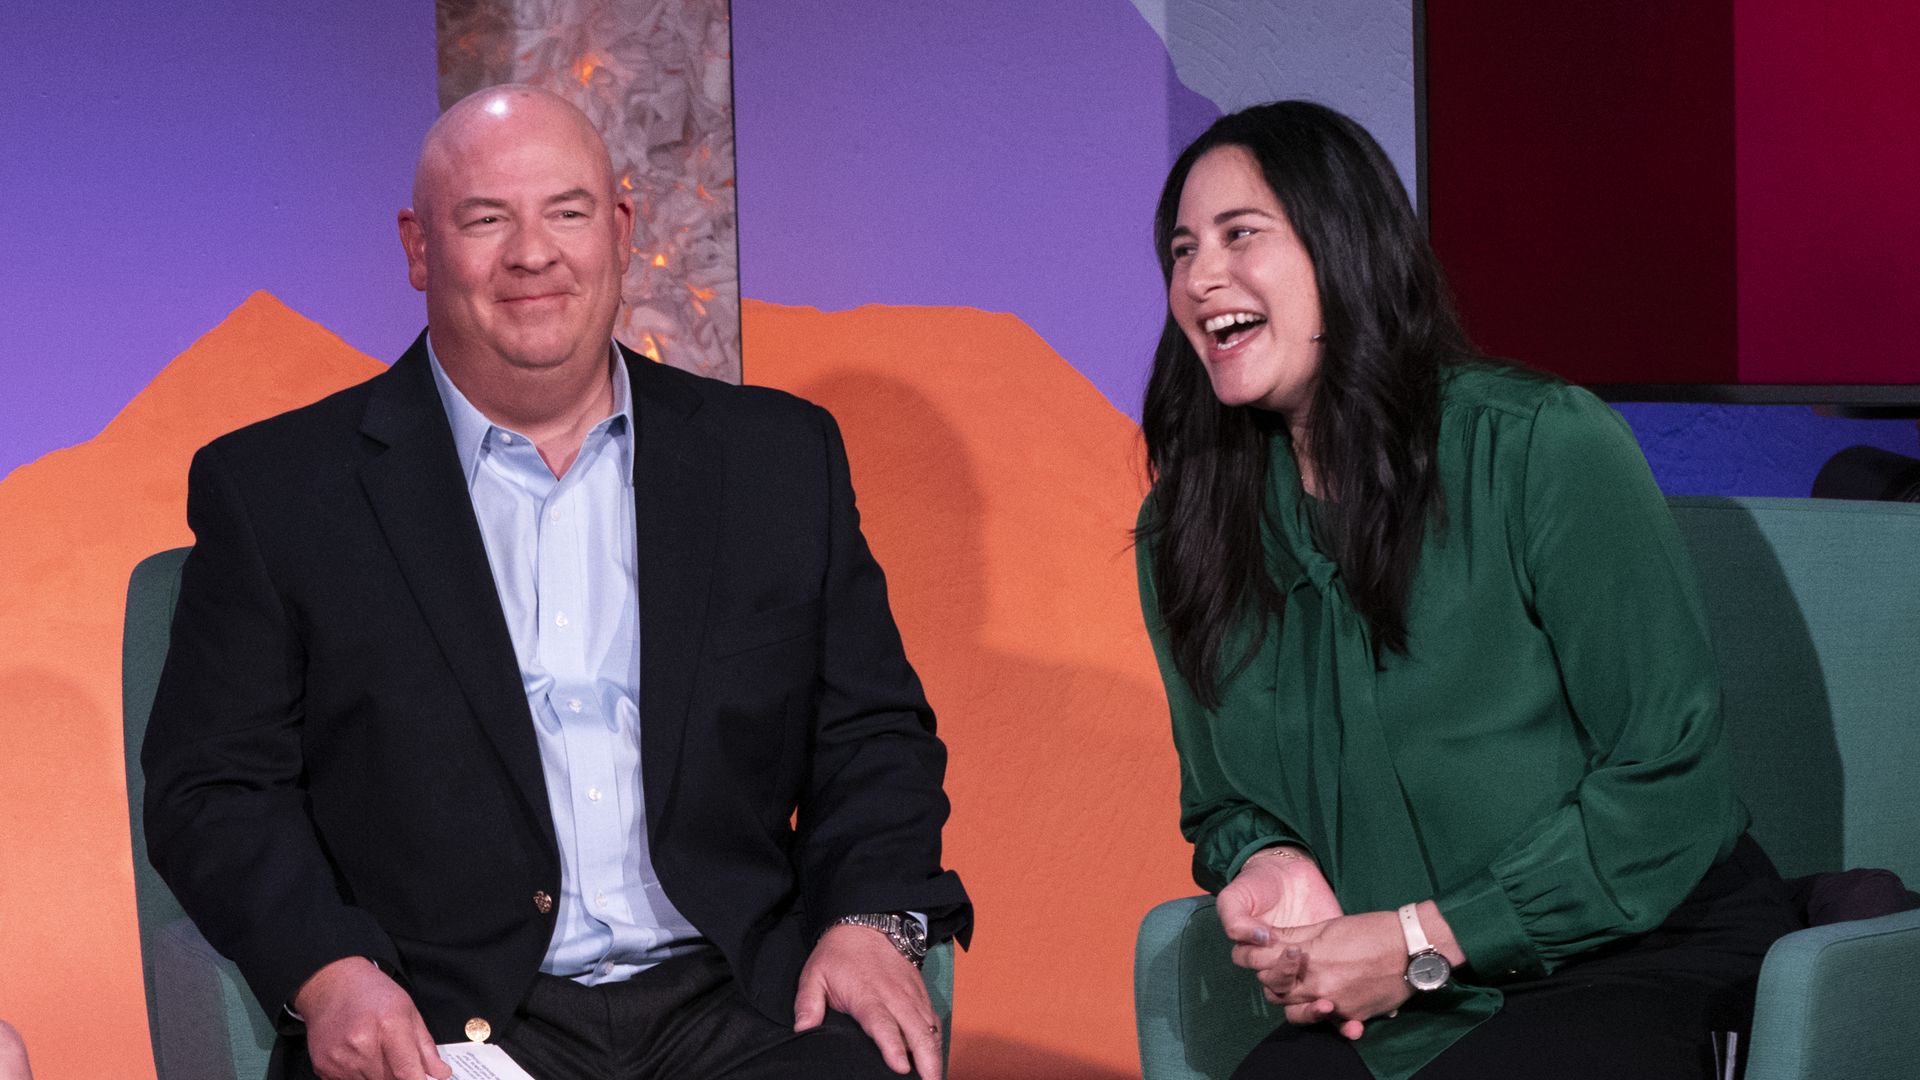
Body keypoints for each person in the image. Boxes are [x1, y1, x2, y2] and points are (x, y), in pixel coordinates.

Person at [143, 85, 969, 1080]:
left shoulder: (776, 462)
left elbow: (872, 734)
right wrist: (327, 972)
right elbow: (215, 789)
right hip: (444, 1021)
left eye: (567, 212)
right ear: (417, 247)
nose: (533, 253)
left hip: (741, 1000)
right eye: (486, 219)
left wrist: (869, 920)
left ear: (619, 230)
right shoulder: (279, 493)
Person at [1134, 101, 1796, 1080]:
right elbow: (1225, 799)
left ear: (1342, 245)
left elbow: (1671, 789)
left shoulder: (1542, 447)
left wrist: (1421, 940)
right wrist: (1265, 862)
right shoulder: (1185, 530)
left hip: (1640, 950)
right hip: (1399, 993)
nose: (1199, 279)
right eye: (1183, 250)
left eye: (1240, 236)